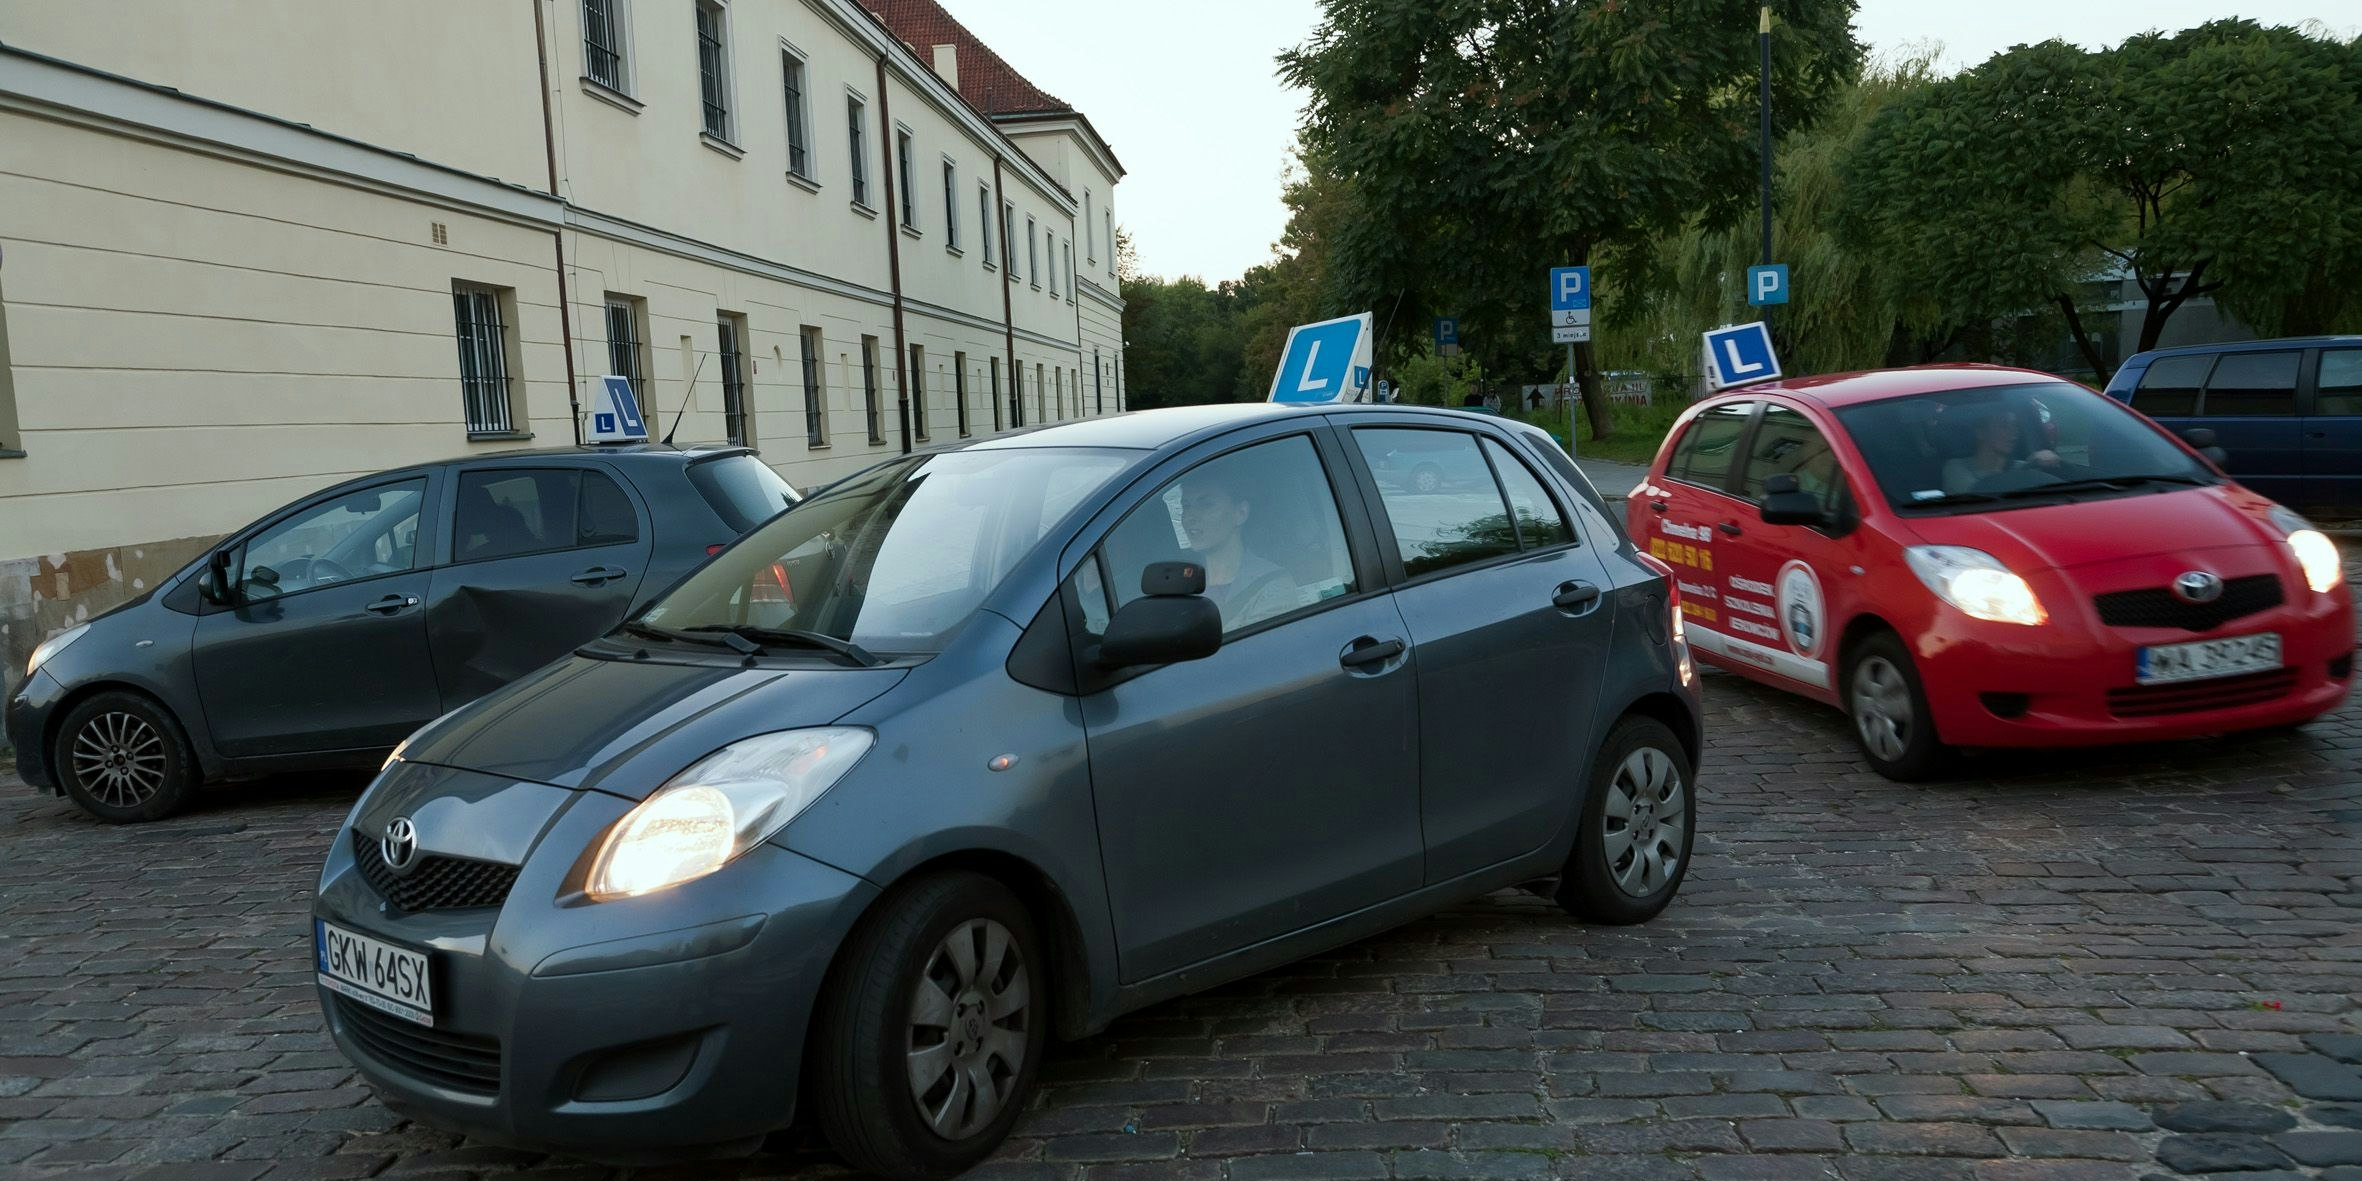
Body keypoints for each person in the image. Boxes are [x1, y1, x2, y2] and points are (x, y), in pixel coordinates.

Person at [1178, 469, 1301, 630]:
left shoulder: (1272, 584)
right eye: (1186, 506)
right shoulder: (1179, 583)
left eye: (1206, 504)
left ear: (1241, 513)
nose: (1189, 516)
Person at [1942, 408, 2061, 494]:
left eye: (2016, 426)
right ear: (1981, 432)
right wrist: (2028, 473)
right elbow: (1979, 494)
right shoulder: (1956, 467)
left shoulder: (2023, 466)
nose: (2014, 432)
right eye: (2004, 426)